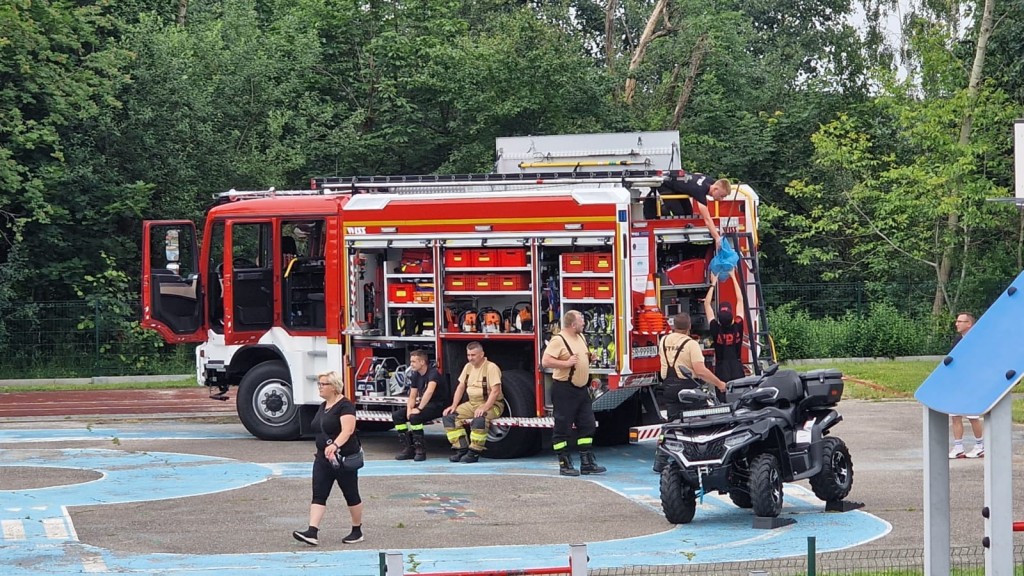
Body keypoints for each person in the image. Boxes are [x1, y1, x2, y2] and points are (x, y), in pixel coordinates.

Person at [293, 371, 364, 546]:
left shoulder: (345, 406)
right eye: (319, 384)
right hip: (322, 459)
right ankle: (312, 531)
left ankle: (357, 530)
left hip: (342, 458)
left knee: (351, 494)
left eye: (323, 384)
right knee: (319, 494)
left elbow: (348, 430)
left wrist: (335, 445)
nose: (320, 387)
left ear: (334, 386)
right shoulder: (323, 406)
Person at [653, 312, 727, 473]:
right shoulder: (691, 344)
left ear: (673, 326)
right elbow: (700, 371)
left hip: (668, 387)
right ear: (689, 327)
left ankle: (660, 460)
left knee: (671, 424)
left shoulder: (664, 340)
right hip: (687, 387)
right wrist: (720, 384)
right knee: (702, 420)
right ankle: (701, 455)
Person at [542, 310, 606, 477]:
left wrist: (590, 358)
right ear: (572, 324)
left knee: (588, 425)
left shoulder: (581, 337)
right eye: (581, 320)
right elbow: (545, 361)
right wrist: (566, 363)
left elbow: (580, 358)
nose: (584, 323)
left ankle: (587, 463)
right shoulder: (558, 340)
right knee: (562, 428)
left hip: (581, 390)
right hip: (564, 389)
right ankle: (565, 464)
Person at [442, 342, 503, 463]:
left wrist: (485, 407)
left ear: (482, 354)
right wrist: (454, 405)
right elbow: (461, 387)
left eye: (473, 355)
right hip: (472, 403)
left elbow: (495, 391)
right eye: (468, 355)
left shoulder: (491, 368)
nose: (470, 358)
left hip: (493, 405)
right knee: (449, 417)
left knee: (480, 420)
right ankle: (461, 449)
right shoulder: (468, 367)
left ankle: (474, 452)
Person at [392, 350, 447, 461]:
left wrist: (419, 408)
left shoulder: (433, 373)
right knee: (397, 415)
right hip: (425, 404)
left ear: (422, 362)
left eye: (413, 361)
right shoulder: (415, 375)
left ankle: (420, 450)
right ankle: (408, 448)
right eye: (411, 361)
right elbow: (412, 395)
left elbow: (429, 392)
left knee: (415, 417)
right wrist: (409, 409)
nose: (411, 364)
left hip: (438, 405)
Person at [660, 173, 733, 246]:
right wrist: (717, 238)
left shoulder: (710, 181)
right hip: (665, 185)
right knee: (680, 213)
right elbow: (707, 219)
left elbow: (697, 174)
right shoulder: (700, 191)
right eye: (721, 196)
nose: (721, 199)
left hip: (678, 186)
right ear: (715, 189)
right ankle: (663, 209)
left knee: (688, 213)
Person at [705, 270, 745, 400]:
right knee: (739, 398)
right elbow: (740, 300)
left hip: (721, 369)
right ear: (732, 317)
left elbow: (706, 304)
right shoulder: (738, 326)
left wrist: (713, 283)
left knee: (723, 400)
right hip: (737, 366)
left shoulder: (716, 329)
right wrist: (733, 277)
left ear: (718, 319)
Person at [949, 312, 984, 459]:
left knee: (972, 415)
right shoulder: (958, 340)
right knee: (954, 414)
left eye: (960, 321)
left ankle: (980, 446)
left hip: (972, 382)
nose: (956, 324)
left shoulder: (977, 340)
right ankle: (958, 448)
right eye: (957, 321)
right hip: (958, 382)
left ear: (969, 324)